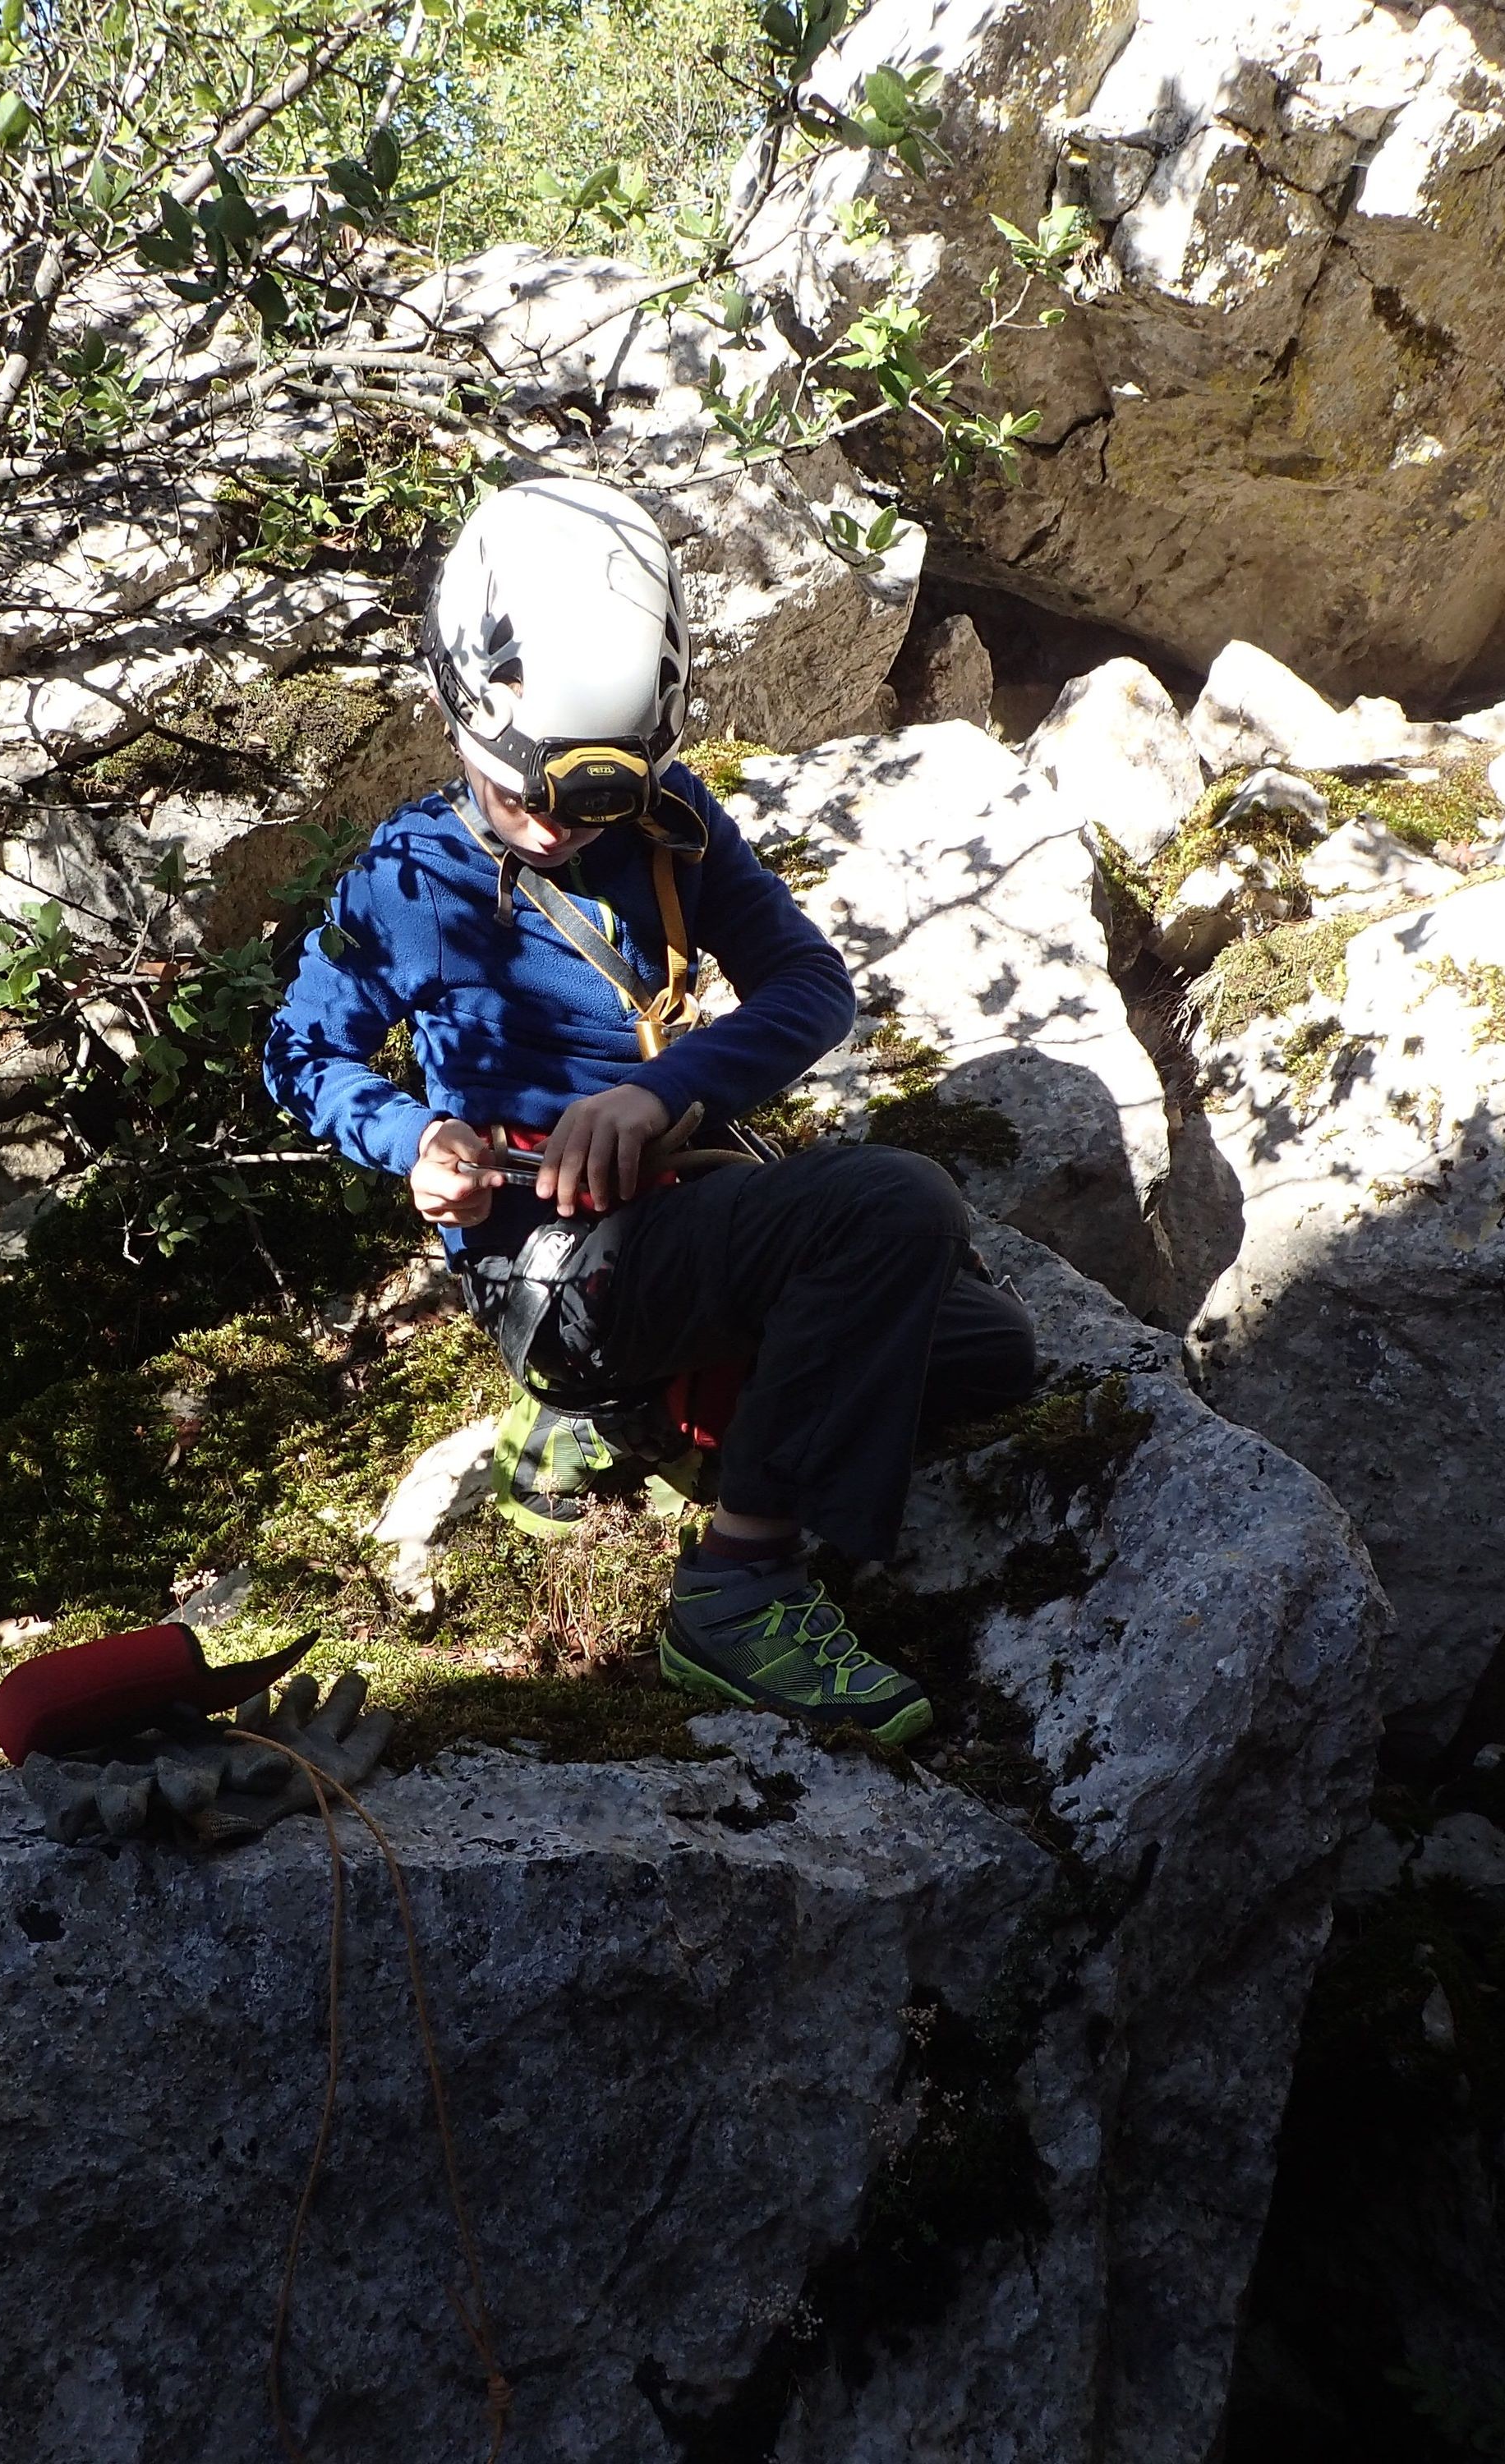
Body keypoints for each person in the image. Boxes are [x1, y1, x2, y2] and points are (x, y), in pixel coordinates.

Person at [263, 477, 1035, 1745]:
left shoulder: (675, 831)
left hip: (677, 1214)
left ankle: (629, 1416)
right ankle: (737, 1589)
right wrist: (414, 1140)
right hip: (553, 1264)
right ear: (460, 710)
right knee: (893, 1206)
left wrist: (664, 1091)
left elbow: (809, 988)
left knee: (990, 1349)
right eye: (522, 801)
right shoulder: (411, 875)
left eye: (587, 805)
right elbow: (301, 1051)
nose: (555, 829)